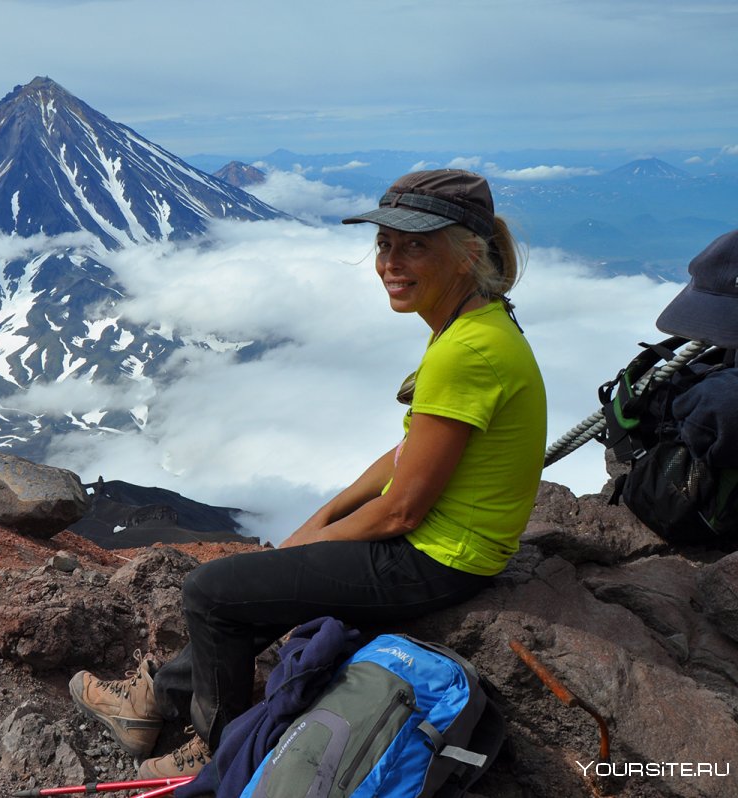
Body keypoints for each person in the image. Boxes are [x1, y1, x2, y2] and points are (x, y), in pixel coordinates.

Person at [68, 169, 548, 780]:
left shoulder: (466, 351)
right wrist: (323, 517)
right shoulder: (476, 324)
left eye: (416, 245)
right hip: (446, 544)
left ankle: (218, 749)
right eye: (384, 245)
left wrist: (314, 542)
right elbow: (407, 453)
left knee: (210, 594)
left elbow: (403, 511)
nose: (391, 263)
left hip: (439, 558)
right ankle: (155, 702)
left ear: (467, 254)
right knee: (257, 583)